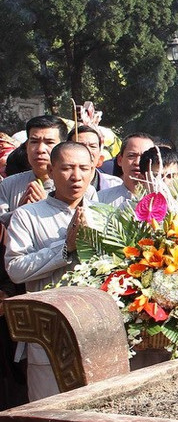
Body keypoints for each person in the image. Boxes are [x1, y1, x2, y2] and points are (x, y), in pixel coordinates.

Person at [4, 142, 97, 400]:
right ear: (51, 171)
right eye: (67, 168)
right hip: (50, 333)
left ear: (92, 172)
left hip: (95, 328)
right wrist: (64, 248)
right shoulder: (27, 216)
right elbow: (15, 269)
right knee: (50, 409)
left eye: (84, 168)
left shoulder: (104, 215)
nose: (76, 176)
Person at [0, 115, 72, 226]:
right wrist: (20, 213)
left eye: (49, 142)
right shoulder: (8, 185)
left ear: (63, 147)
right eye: (34, 142)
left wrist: (46, 208)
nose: (40, 149)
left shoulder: (78, 186)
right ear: (26, 146)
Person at [96, 133, 155, 207]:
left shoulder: (163, 201)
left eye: (144, 157)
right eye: (131, 156)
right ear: (120, 160)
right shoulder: (101, 198)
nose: (137, 162)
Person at [74, 125, 122, 192]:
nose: (88, 151)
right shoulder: (59, 184)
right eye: (81, 146)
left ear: (100, 155)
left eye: (92, 146)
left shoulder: (115, 186)